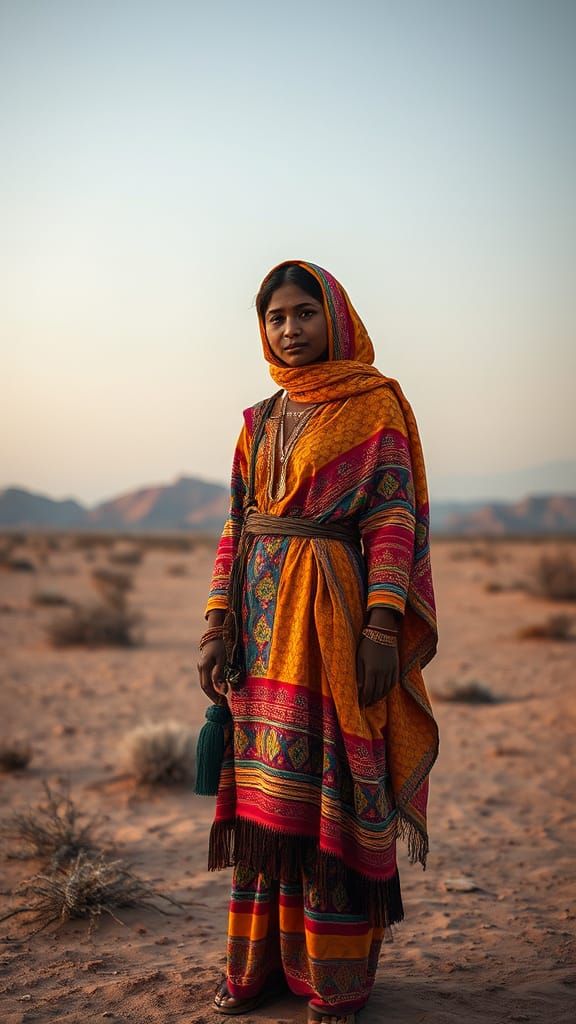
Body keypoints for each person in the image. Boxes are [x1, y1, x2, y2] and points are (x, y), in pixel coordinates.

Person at [197, 260, 439, 1024]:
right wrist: (214, 623)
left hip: (334, 624)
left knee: (334, 787)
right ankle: (258, 970)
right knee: (268, 803)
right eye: (276, 317)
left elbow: (392, 519)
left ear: (334, 317)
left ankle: (335, 981)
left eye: (304, 313)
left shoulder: (374, 408)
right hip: (260, 632)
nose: (290, 329)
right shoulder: (257, 420)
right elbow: (237, 525)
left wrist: (381, 624)